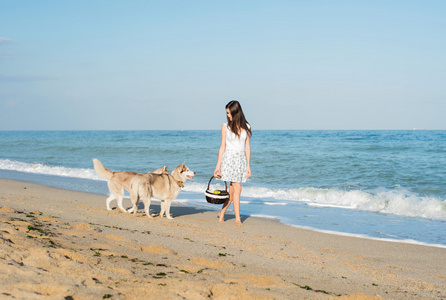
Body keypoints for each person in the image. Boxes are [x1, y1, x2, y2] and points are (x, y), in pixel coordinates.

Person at [214, 100, 252, 226]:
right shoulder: (225, 126)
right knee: (238, 188)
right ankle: (237, 219)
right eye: (227, 113)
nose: (228, 116)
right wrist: (218, 166)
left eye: (229, 113)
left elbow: (247, 148)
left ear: (236, 112)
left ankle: (222, 213)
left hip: (240, 160)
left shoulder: (247, 127)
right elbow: (222, 147)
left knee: (232, 192)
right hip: (229, 160)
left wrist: (248, 165)